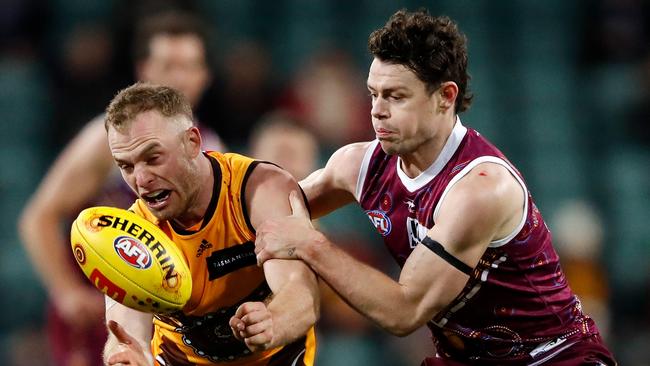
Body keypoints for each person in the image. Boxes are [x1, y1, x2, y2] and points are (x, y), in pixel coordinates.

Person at [253, 9, 617, 365]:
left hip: (553, 356)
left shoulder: (481, 189)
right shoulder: (358, 164)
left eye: (396, 96)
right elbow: (267, 208)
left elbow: (403, 312)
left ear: (446, 96)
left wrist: (309, 243)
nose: (377, 110)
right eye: (373, 94)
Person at [17, 12, 224, 366]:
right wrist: (66, 291)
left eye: (189, 66)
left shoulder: (210, 147)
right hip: (101, 321)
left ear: (204, 76)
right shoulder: (107, 139)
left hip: (164, 320)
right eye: (168, 65)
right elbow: (38, 218)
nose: (179, 77)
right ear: (144, 70)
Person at [102, 82, 319, 366]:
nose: (141, 180)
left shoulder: (259, 190)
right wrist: (127, 354)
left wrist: (274, 320)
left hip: (275, 359)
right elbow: (125, 329)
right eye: (126, 166)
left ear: (192, 142)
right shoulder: (131, 233)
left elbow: (300, 294)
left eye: (153, 158)